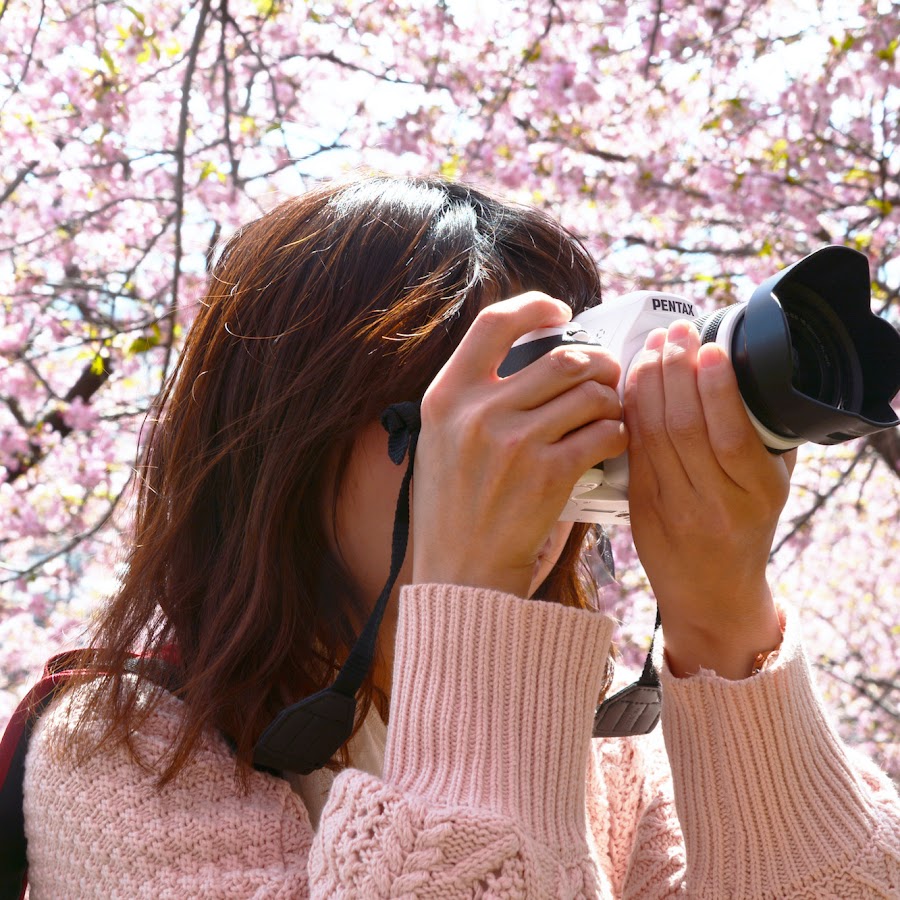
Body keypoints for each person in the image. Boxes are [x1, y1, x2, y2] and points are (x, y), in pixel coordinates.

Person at [23, 175, 900, 897]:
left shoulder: (610, 761)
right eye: (480, 410)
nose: (531, 455)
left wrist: (726, 623)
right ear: (286, 444)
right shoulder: (125, 749)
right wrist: (472, 603)